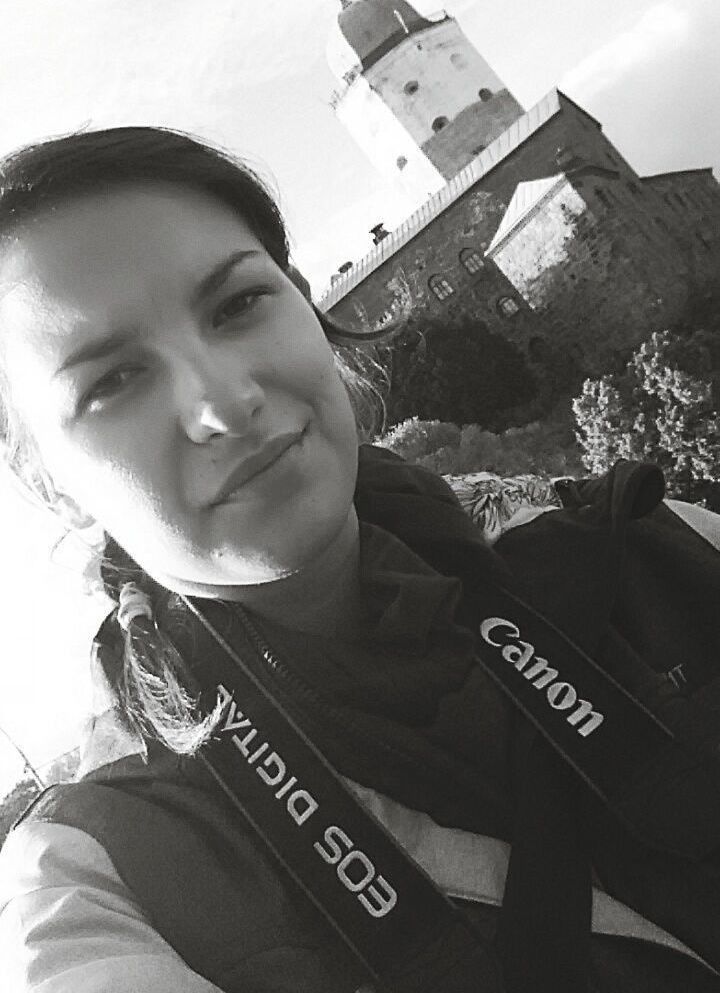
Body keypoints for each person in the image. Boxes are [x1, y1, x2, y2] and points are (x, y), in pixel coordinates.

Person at [0, 125, 718, 993]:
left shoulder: (650, 549)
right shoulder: (100, 880)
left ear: (307, 308)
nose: (224, 401)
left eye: (237, 306)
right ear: (50, 486)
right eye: (111, 381)